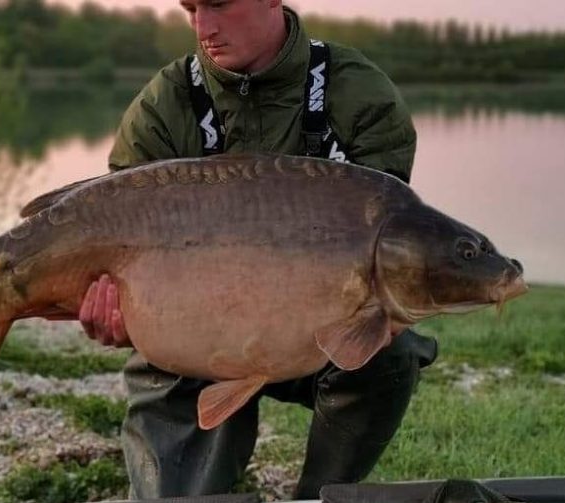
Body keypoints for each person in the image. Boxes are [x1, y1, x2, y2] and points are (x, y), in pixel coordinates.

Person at [79, 0, 437, 499]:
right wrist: (125, 312)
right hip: (193, 333)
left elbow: (392, 245)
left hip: (313, 333)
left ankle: (320, 496)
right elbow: (114, 235)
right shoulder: (166, 103)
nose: (204, 27)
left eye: (220, 5)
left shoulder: (359, 93)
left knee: (390, 348)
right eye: (191, 9)